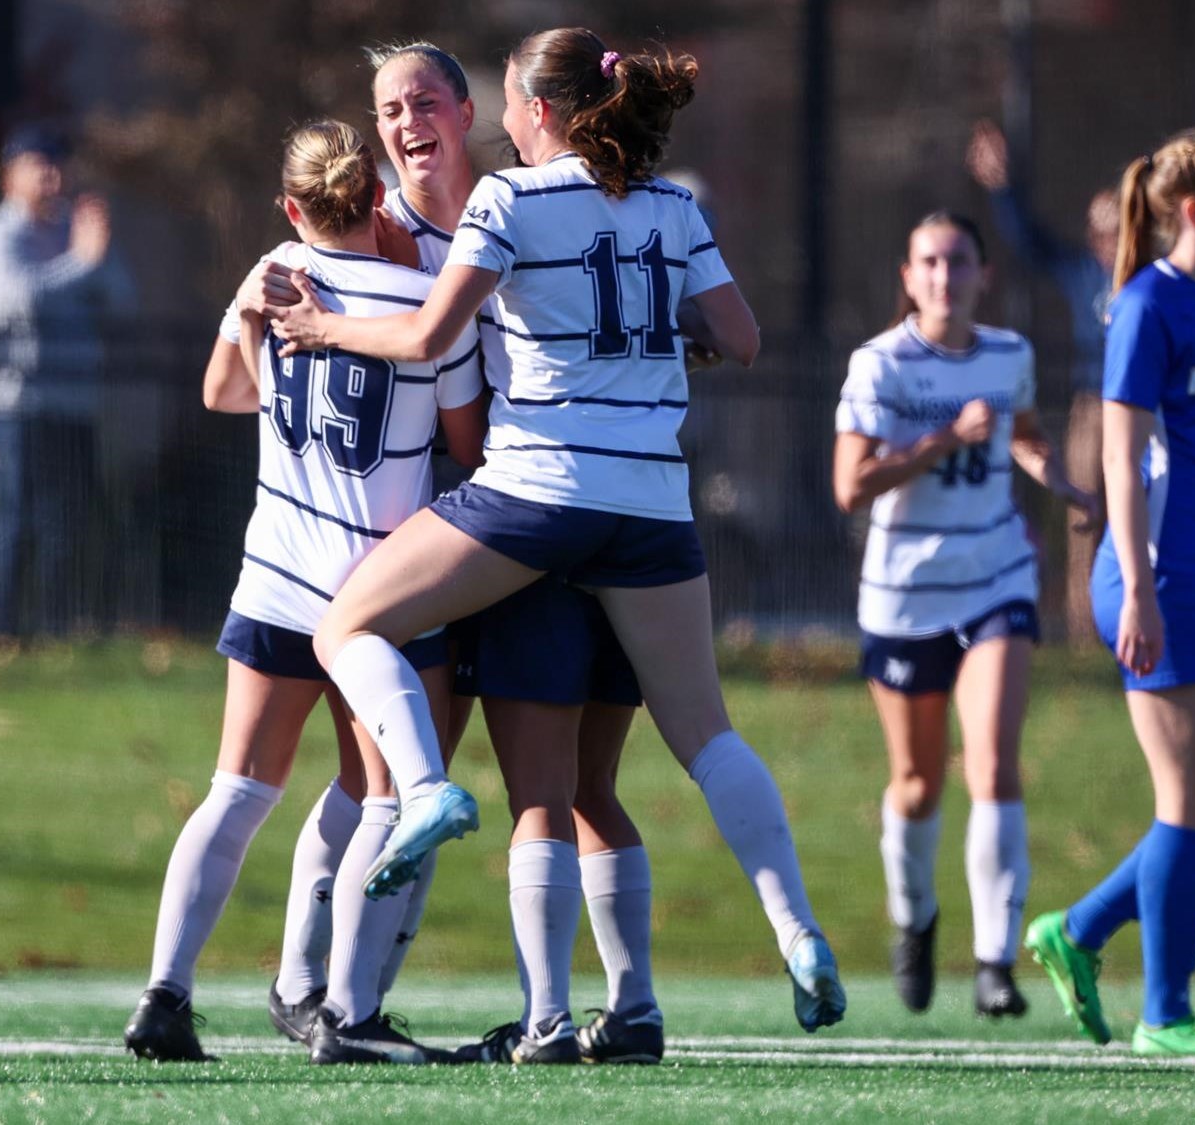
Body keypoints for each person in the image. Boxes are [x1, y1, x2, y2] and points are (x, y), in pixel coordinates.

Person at [270, 28, 847, 1055]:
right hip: (654, 506)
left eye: (501, 97)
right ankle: (795, 928)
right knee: (705, 734)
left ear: (539, 110)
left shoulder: (509, 198)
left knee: (348, 623)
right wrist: (651, 349)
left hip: (537, 497)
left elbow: (424, 338)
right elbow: (742, 338)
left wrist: (319, 332)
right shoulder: (672, 204)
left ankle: (434, 805)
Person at [237, 42, 668, 1066]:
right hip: (421, 532)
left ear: (470, 109)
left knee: (513, 778)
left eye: (422, 100)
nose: (404, 123)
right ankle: (316, 990)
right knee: (380, 775)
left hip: (518, 522)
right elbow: (259, 357)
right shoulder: (371, 225)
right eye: (387, 108)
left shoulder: (527, 201)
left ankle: (516, 1009)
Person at [123, 120, 485, 1065]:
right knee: (382, 803)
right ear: (378, 200)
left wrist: (252, 322)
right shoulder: (423, 304)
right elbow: (468, 440)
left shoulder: (274, 270)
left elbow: (222, 393)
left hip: (275, 576)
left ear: (292, 206)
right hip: (377, 597)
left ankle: (166, 994)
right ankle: (346, 1015)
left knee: (237, 792)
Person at [1023, 129, 1195, 1057]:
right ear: (1194, 211)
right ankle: (1166, 1015)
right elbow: (1123, 468)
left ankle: (1081, 928)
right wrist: (1134, 584)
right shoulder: (1145, 307)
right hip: (1156, 577)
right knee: (1185, 801)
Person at [833, 211, 1098, 1018]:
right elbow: (852, 486)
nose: (945, 277)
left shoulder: (1008, 354)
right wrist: (946, 440)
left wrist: (1065, 484)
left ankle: (995, 961)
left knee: (992, 763)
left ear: (983, 275)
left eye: (959, 262)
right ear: (909, 279)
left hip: (995, 580)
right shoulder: (879, 365)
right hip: (905, 594)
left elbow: (1023, 436)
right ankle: (914, 922)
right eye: (930, 264)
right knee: (917, 783)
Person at [964, 122, 1195, 638]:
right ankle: (1095, 626)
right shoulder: (1102, 282)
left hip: (1160, 421)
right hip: (1096, 407)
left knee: (1158, 510)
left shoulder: (1171, 286)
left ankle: (1156, 604)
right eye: (1097, 229)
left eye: (1116, 227)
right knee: (1089, 509)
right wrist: (1002, 187)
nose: (1107, 238)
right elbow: (1028, 241)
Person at [0, 125, 127, 635]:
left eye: (59, 164)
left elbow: (123, 298)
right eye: (40, 164)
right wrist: (82, 265)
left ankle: (57, 625)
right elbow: (16, 300)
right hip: (18, 402)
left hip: (75, 401)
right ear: (10, 175)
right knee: (18, 515)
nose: (53, 176)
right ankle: (2, 628)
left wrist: (95, 254)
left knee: (67, 518)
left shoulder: (74, 231)